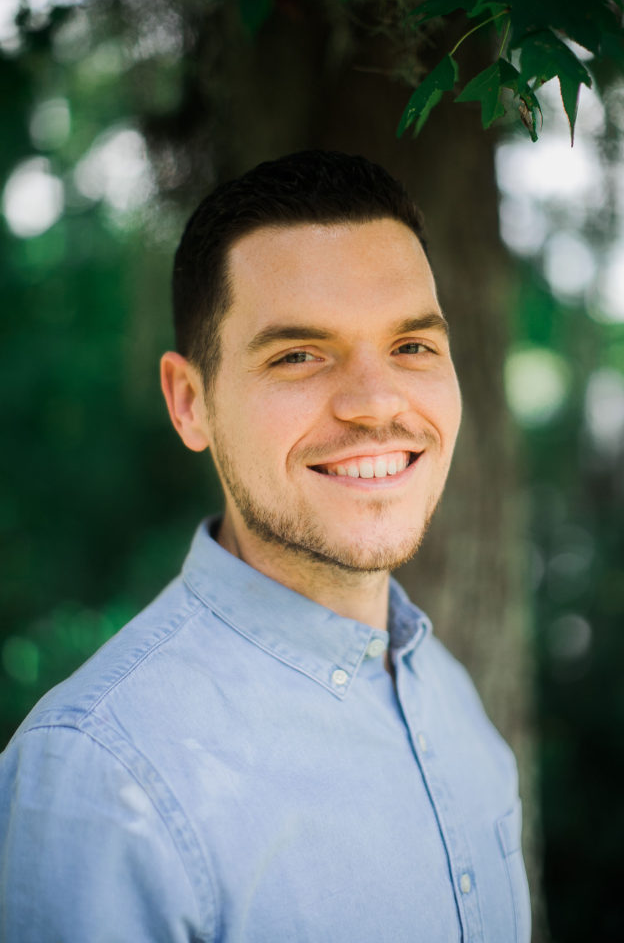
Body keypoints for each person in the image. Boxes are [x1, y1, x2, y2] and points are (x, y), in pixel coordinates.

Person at [0, 150, 531, 942]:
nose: (375, 402)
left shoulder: (445, 693)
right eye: (297, 355)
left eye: (411, 346)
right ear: (190, 402)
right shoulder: (99, 775)